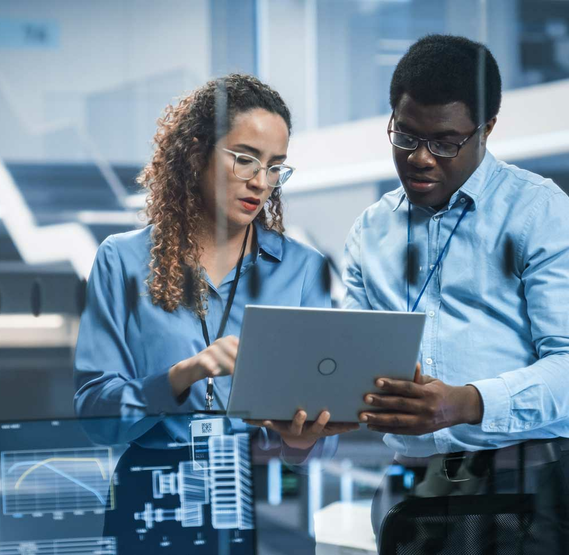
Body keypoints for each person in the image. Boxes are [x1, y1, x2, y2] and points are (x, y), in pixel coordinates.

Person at [342, 35, 569, 553]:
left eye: (444, 142)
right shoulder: (370, 231)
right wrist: (318, 414)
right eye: (405, 136)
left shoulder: (542, 215)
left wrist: (465, 404)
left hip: (526, 486)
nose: (420, 158)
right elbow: (356, 369)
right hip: (412, 487)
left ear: (486, 130)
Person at [74, 74, 357, 551]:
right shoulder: (121, 260)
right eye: (245, 159)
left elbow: (318, 436)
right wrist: (182, 375)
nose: (260, 181)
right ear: (197, 152)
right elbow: (95, 416)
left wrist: (303, 437)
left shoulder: (304, 270)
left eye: (275, 167)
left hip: (267, 505)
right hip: (151, 500)